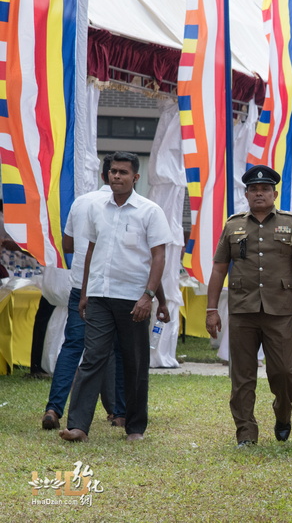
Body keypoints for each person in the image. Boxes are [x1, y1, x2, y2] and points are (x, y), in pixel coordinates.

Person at [59, 152, 172, 443]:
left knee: (134, 362)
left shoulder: (150, 211)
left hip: (134, 299)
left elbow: (158, 257)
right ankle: (79, 426)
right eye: (112, 171)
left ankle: (135, 427)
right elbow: (90, 253)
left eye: (123, 172)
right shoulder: (97, 209)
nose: (116, 176)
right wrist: (84, 293)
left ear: (135, 177)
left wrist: (150, 297)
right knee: (93, 357)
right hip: (98, 296)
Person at [206, 165, 292, 448]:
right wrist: (211, 309)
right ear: (246, 193)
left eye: (265, 189)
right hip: (242, 310)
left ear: (274, 193)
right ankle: (245, 432)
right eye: (254, 189)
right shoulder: (233, 225)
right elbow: (219, 269)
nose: (259, 193)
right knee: (242, 375)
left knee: (283, 372)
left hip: (279, 310)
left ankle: (283, 411)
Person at [42, 156, 128, 430]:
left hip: (80, 283)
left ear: (101, 176)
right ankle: (116, 411)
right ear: (111, 177)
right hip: (112, 287)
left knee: (72, 346)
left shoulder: (81, 202)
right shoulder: (126, 206)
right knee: (113, 349)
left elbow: (68, 244)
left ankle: (54, 408)